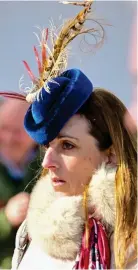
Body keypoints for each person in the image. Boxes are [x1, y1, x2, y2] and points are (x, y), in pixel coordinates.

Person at [1, 1, 136, 269]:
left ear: (110, 152)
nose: (46, 161)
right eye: (48, 145)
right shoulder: (32, 233)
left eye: (67, 145)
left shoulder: (129, 239)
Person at [0, 99, 41, 269]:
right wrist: (6, 218)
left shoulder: (50, 164)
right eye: (3, 128)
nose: (9, 138)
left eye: (17, 131)